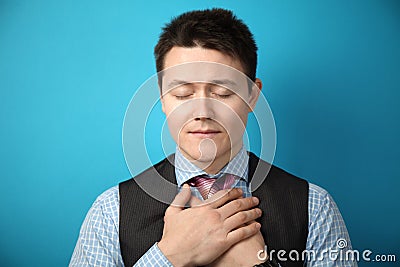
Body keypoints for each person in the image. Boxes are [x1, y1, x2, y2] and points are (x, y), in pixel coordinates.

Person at [70, 8, 356, 267]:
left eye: (222, 93)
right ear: (162, 98)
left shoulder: (315, 207)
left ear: (252, 96)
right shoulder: (111, 211)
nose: (202, 112)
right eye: (182, 94)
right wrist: (169, 257)